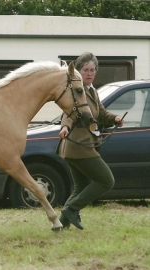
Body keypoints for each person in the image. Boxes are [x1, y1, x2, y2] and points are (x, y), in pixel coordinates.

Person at [57, 52, 124, 230]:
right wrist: (64, 127)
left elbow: (101, 114)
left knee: (81, 186)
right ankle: (71, 209)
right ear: (78, 71)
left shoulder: (92, 90)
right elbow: (68, 114)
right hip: (79, 146)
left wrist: (115, 118)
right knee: (106, 181)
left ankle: (60, 226)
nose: (90, 73)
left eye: (93, 70)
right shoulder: (77, 91)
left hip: (74, 148)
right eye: (86, 70)